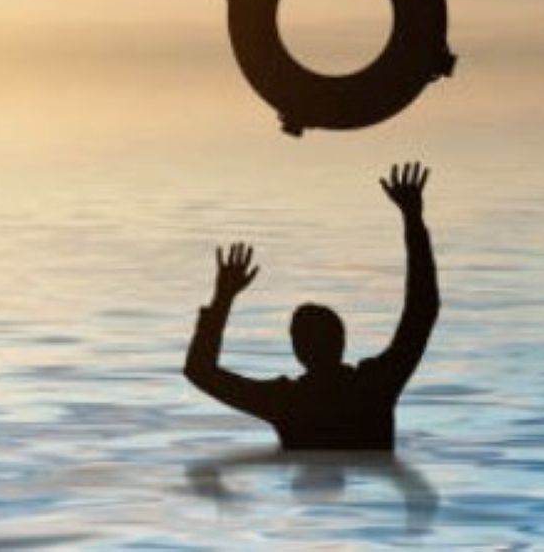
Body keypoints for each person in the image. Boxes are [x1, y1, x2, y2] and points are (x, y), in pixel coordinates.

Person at [184, 161, 440, 449]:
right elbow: (422, 309)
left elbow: (199, 371)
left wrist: (222, 300)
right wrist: (413, 219)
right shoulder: (375, 385)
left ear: (298, 350)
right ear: (342, 340)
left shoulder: (286, 402)